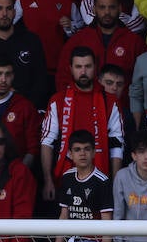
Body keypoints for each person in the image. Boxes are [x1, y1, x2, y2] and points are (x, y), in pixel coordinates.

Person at [42, 47, 124, 191]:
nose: (83, 72)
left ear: (95, 68)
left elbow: (117, 144)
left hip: (100, 179)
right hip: (64, 179)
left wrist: (115, 183)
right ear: (71, 68)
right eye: (78, 67)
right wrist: (48, 180)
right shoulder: (58, 100)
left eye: (88, 66)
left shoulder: (110, 101)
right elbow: (47, 142)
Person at [58, 0, 147, 94]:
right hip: (86, 106)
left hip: (124, 107)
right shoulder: (78, 40)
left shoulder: (134, 42)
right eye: (102, 7)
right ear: (94, 9)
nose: (107, 12)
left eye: (112, 7)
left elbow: (145, 79)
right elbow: (63, 77)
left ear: (120, 9)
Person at [16, 0, 76, 78]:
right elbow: (9, 22)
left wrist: (70, 26)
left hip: (59, 63)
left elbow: (80, 26)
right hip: (30, 64)